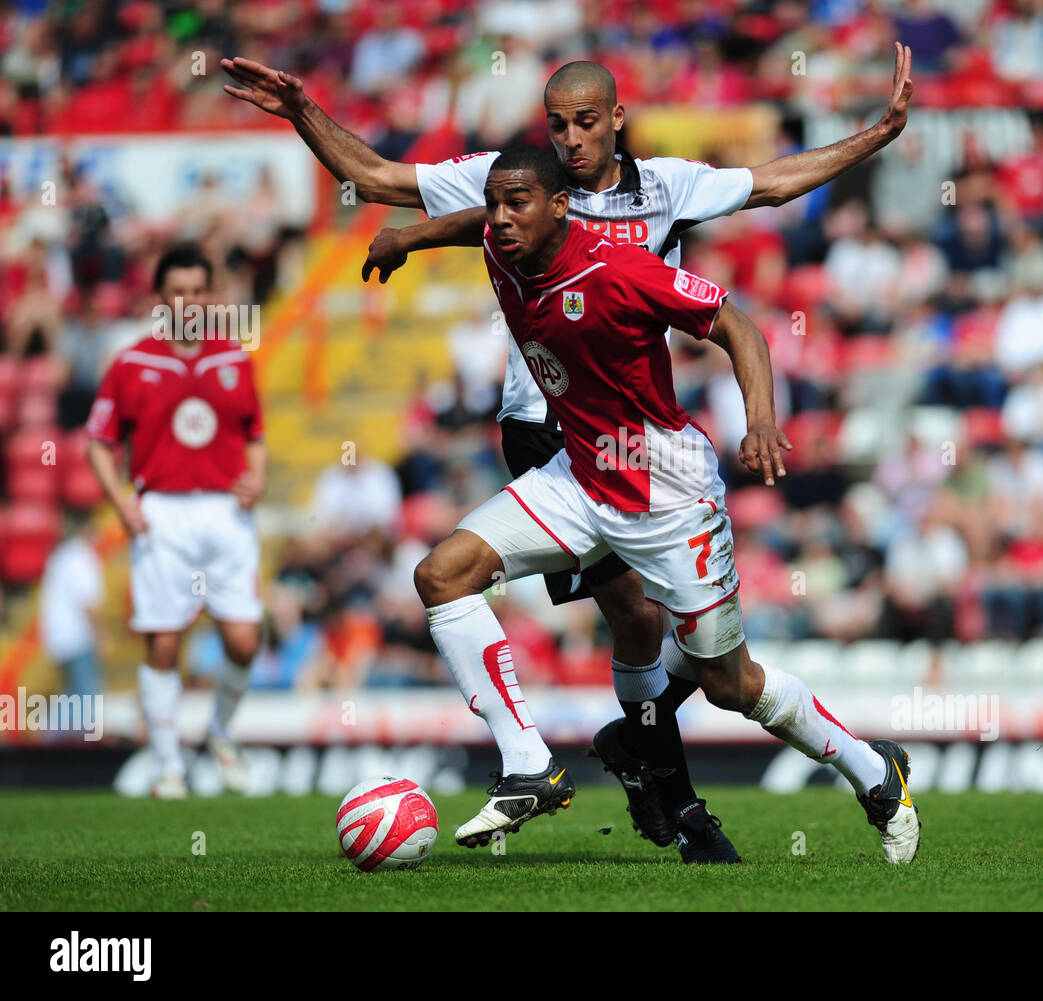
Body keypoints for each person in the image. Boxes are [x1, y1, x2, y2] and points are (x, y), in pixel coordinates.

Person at [222, 45, 913, 852]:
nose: (572, 139)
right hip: (552, 433)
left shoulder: (659, 202)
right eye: (558, 125)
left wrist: (875, 134)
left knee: (705, 666)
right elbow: (387, 180)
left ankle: (699, 757)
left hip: (653, 453)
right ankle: (612, 784)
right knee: (578, 605)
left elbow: (771, 187)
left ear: (616, 120)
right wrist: (315, 120)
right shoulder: (516, 189)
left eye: (586, 123)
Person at [410, 147, 920, 863]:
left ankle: (875, 774)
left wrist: (762, 421)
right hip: (578, 477)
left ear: (560, 206)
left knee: (730, 684)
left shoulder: (622, 269)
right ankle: (529, 762)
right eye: (493, 204)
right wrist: (406, 236)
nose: (499, 218)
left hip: (666, 490)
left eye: (516, 202)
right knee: (442, 575)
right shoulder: (504, 240)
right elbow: (473, 226)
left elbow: (737, 325)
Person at [85, 245, 266, 798]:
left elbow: (253, 433)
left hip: (225, 514)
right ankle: (168, 767)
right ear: (160, 297)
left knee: (244, 640)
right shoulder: (132, 362)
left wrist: (255, 478)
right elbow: (98, 441)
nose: (189, 301)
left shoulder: (233, 358)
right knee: (164, 644)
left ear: (211, 297)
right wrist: (123, 504)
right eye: (178, 291)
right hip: (162, 512)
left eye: (197, 290)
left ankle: (218, 732)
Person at [39, 510, 105, 701]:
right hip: (76, 636)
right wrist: (100, 634)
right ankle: (52, 730)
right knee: (85, 695)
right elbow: (86, 602)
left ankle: (52, 729)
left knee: (73, 691)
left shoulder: (63, 554)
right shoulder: (81, 557)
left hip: (58, 635)